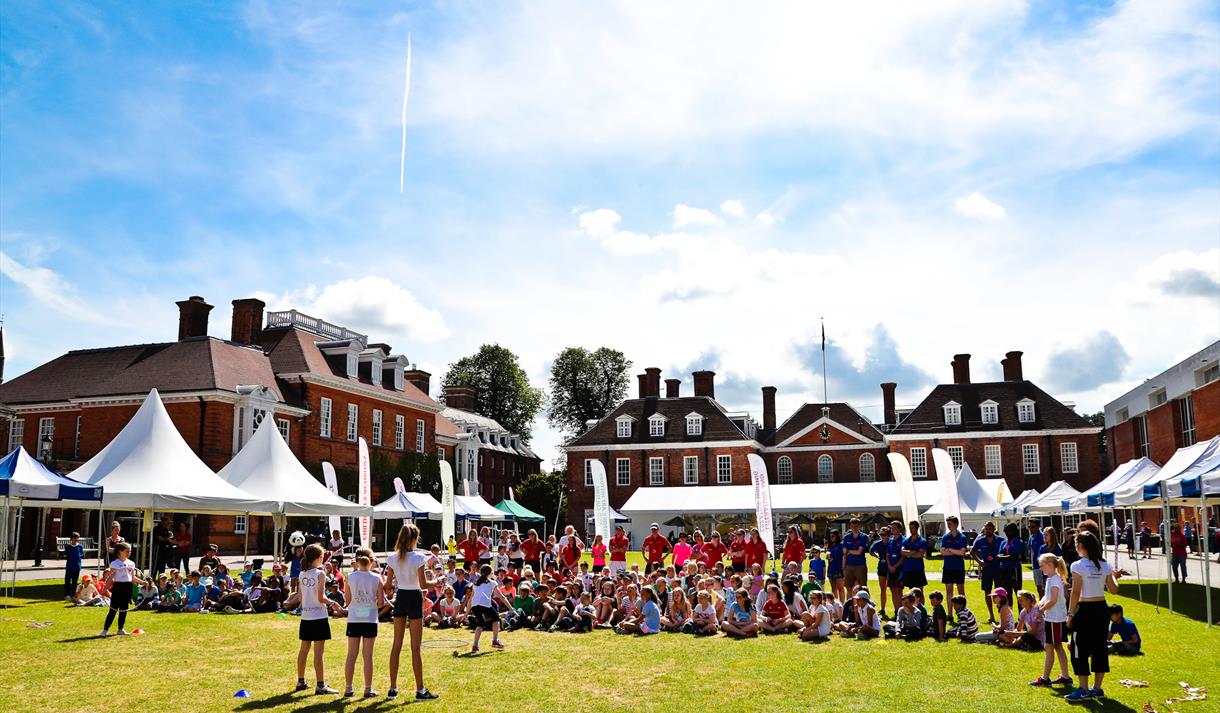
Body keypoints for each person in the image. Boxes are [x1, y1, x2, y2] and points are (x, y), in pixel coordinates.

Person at [384, 524, 441, 701]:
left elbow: (388, 586)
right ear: (415, 539)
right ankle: (420, 690)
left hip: (401, 597)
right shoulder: (418, 557)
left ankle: (393, 689)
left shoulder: (393, 558)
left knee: (397, 645)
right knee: (415, 648)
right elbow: (424, 585)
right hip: (414, 598)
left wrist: (387, 591)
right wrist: (438, 580)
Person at [1065, 530, 1122, 702]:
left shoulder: (1077, 565)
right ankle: (1096, 688)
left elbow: (1075, 592)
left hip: (1085, 609)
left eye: (1076, 545)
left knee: (1078, 648)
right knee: (1099, 648)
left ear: (1081, 547)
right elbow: (1114, 590)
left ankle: (1083, 688)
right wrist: (1113, 575)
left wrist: (1069, 614)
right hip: (1101, 609)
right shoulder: (1105, 565)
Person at [340, 553, 383, 698]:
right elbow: (381, 602)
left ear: (357, 562)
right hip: (370, 618)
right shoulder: (377, 578)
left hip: (354, 617)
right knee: (368, 655)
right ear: (371, 561)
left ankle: (348, 688)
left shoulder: (350, 577)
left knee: (351, 654)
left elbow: (347, 600)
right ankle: (367, 688)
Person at [1030, 553, 1073, 687]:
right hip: (1053, 618)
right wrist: (1040, 603)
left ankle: (1045, 678)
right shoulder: (1052, 578)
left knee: (1050, 647)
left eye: (1042, 566)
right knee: (1057, 646)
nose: (1041, 569)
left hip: (1055, 619)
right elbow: (1048, 597)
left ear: (1049, 565)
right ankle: (1065, 677)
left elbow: (1053, 599)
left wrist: (1041, 610)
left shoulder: (1054, 579)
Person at [99, 541, 144, 636]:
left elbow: (132, 578)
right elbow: (110, 578)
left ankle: (120, 629)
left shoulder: (131, 563)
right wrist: (104, 590)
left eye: (130, 551)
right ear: (120, 551)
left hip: (127, 587)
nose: (129, 553)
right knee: (113, 609)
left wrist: (143, 582)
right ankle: (105, 630)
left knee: (124, 609)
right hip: (118, 587)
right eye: (127, 551)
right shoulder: (114, 564)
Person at [467, 564, 511, 652]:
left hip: (475, 605)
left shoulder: (476, 584)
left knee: (480, 624)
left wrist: (466, 613)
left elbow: (470, 600)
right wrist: (510, 608)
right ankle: (495, 640)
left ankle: (475, 645)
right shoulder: (492, 583)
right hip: (485, 604)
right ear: (490, 573)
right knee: (496, 619)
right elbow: (502, 597)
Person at [971, 522, 1004, 624]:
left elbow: (1006, 552)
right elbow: (972, 552)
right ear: (984, 529)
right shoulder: (980, 541)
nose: (988, 531)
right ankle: (991, 615)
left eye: (990, 529)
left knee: (1000, 593)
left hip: (998, 569)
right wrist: (980, 562)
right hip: (987, 570)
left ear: (994, 529)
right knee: (987, 592)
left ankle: (1001, 614)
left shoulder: (1000, 540)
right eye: (986, 529)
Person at [939, 516, 969, 609]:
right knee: (949, 591)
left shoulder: (962, 537)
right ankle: (950, 614)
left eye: (950, 524)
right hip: (948, 567)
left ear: (956, 524)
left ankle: (963, 612)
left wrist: (950, 549)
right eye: (947, 524)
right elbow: (942, 552)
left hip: (959, 567)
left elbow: (962, 553)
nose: (948, 525)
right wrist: (955, 551)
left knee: (961, 591)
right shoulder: (945, 537)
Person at [996, 523, 1025, 608]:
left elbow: (1015, 556)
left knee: (1018, 593)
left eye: (1008, 530)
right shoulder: (1003, 543)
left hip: (1014, 570)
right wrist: (1006, 556)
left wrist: (1004, 557)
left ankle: (1021, 616)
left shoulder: (1018, 542)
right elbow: (999, 555)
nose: (1006, 532)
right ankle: (1010, 616)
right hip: (1004, 570)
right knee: (1007, 593)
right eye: (1005, 530)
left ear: (1013, 531)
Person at [868, 525, 891, 616]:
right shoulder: (877, 543)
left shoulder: (892, 543)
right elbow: (870, 551)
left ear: (888, 535)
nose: (882, 536)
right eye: (881, 534)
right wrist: (877, 556)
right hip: (882, 567)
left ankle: (898, 609)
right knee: (883, 589)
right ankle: (882, 609)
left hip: (892, 568)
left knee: (895, 590)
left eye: (884, 534)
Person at [842, 518, 869, 594]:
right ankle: (850, 604)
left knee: (862, 588)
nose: (854, 528)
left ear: (859, 526)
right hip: (849, 565)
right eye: (853, 526)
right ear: (850, 526)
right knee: (848, 588)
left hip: (860, 565)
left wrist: (849, 551)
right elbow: (844, 552)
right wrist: (843, 567)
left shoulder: (863, 536)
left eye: (856, 526)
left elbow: (859, 552)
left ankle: (863, 604)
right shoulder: (846, 537)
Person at [900, 521, 928, 591]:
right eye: (910, 528)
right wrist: (913, 552)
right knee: (911, 592)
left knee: (919, 592)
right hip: (908, 569)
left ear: (917, 528)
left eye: (912, 528)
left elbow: (920, 555)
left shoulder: (922, 541)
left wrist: (908, 555)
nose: (911, 529)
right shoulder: (906, 540)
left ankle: (921, 603)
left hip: (918, 569)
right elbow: (902, 552)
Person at [825, 530, 845, 605]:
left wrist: (843, 569)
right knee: (833, 588)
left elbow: (843, 556)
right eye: (830, 536)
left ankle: (842, 605)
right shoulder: (830, 546)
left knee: (840, 588)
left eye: (833, 536)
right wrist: (828, 557)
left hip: (839, 569)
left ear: (837, 536)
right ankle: (836, 604)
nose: (831, 538)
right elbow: (829, 555)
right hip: (831, 569)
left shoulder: (841, 545)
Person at [63, 531, 84, 601]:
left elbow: (81, 554)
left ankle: (73, 595)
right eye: (74, 539)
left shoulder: (80, 546)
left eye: (77, 539)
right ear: (71, 539)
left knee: (75, 582)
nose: (76, 540)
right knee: (67, 581)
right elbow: (66, 555)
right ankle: (67, 594)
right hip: (69, 566)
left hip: (76, 566)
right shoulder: (68, 547)